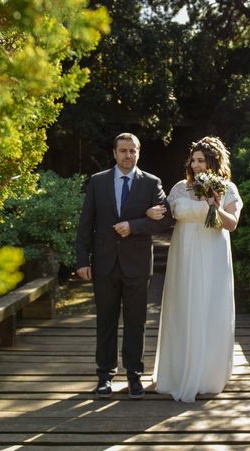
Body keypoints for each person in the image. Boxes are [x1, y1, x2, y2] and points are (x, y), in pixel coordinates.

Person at [75, 132, 172, 399]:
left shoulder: (152, 183)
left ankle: (134, 376)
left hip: (138, 265)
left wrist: (136, 224)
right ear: (115, 153)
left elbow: (165, 220)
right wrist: (83, 260)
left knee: (136, 322)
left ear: (138, 153)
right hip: (104, 263)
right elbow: (86, 224)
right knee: (105, 321)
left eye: (133, 151)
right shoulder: (98, 182)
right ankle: (105, 376)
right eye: (123, 151)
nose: (128, 156)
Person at [147, 136, 243, 402]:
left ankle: (207, 374)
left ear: (213, 162)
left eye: (202, 160)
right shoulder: (179, 187)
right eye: (194, 159)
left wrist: (214, 204)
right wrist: (151, 213)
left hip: (212, 253)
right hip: (183, 254)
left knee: (209, 306)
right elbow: (166, 214)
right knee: (183, 306)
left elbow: (232, 224)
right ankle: (177, 371)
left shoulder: (227, 188)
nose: (196, 164)